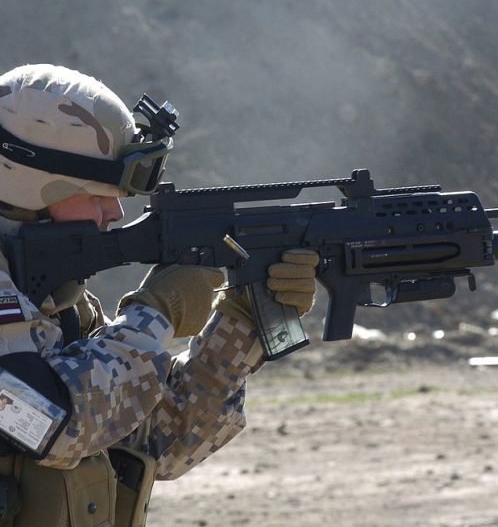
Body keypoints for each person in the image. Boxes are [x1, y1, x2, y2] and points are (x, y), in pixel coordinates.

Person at [0, 64, 318, 527]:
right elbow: (52, 425)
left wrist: (243, 317)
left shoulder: (55, 300)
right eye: (97, 194)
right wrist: (156, 314)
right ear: (27, 185)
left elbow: (161, 438)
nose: (115, 212)